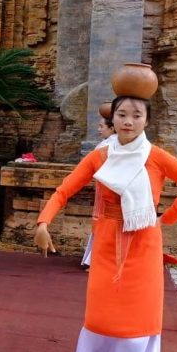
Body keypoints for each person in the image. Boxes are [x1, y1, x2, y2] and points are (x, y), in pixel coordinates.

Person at [33, 95, 177, 352]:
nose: (128, 121)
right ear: (113, 119)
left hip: (144, 243)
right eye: (122, 114)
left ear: (147, 120)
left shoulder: (157, 156)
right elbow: (64, 190)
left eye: (137, 115)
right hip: (107, 241)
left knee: (138, 319)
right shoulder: (100, 155)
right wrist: (43, 222)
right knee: (101, 317)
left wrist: (165, 219)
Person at [81, 111, 117, 269]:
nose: (99, 129)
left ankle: (97, 259)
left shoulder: (108, 145)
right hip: (107, 188)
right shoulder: (110, 143)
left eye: (102, 126)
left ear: (112, 128)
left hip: (111, 190)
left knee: (105, 224)